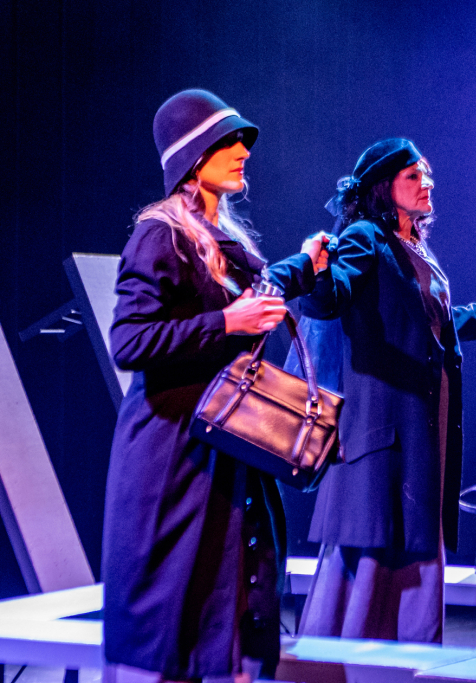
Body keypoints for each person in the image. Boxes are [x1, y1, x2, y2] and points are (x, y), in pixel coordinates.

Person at [102, 89, 328, 683]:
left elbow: (258, 293)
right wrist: (227, 323)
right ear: (192, 155)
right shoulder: (161, 235)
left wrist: (304, 266)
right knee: (176, 620)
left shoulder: (219, 236)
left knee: (232, 614)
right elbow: (128, 342)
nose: (242, 152)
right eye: (227, 141)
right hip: (173, 458)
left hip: (225, 449)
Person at [296, 138, 476, 643]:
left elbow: (437, 327)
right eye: (413, 175)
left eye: (426, 173)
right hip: (386, 423)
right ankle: (345, 666)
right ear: (383, 187)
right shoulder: (366, 237)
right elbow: (330, 299)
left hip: (421, 424)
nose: (427, 182)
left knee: (412, 545)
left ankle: (407, 661)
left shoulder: (414, 249)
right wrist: (314, 275)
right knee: (372, 553)